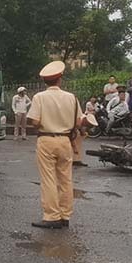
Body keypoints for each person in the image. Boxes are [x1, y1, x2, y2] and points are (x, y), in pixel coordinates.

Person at [27, 61, 88, 229]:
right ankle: (65, 215)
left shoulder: (39, 97)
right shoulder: (72, 98)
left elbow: (34, 122)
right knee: (66, 179)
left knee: (48, 179)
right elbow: (78, 122)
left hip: (46, 140)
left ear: (45, 81)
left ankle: (52, 216)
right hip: (65, 141)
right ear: (59, 79)